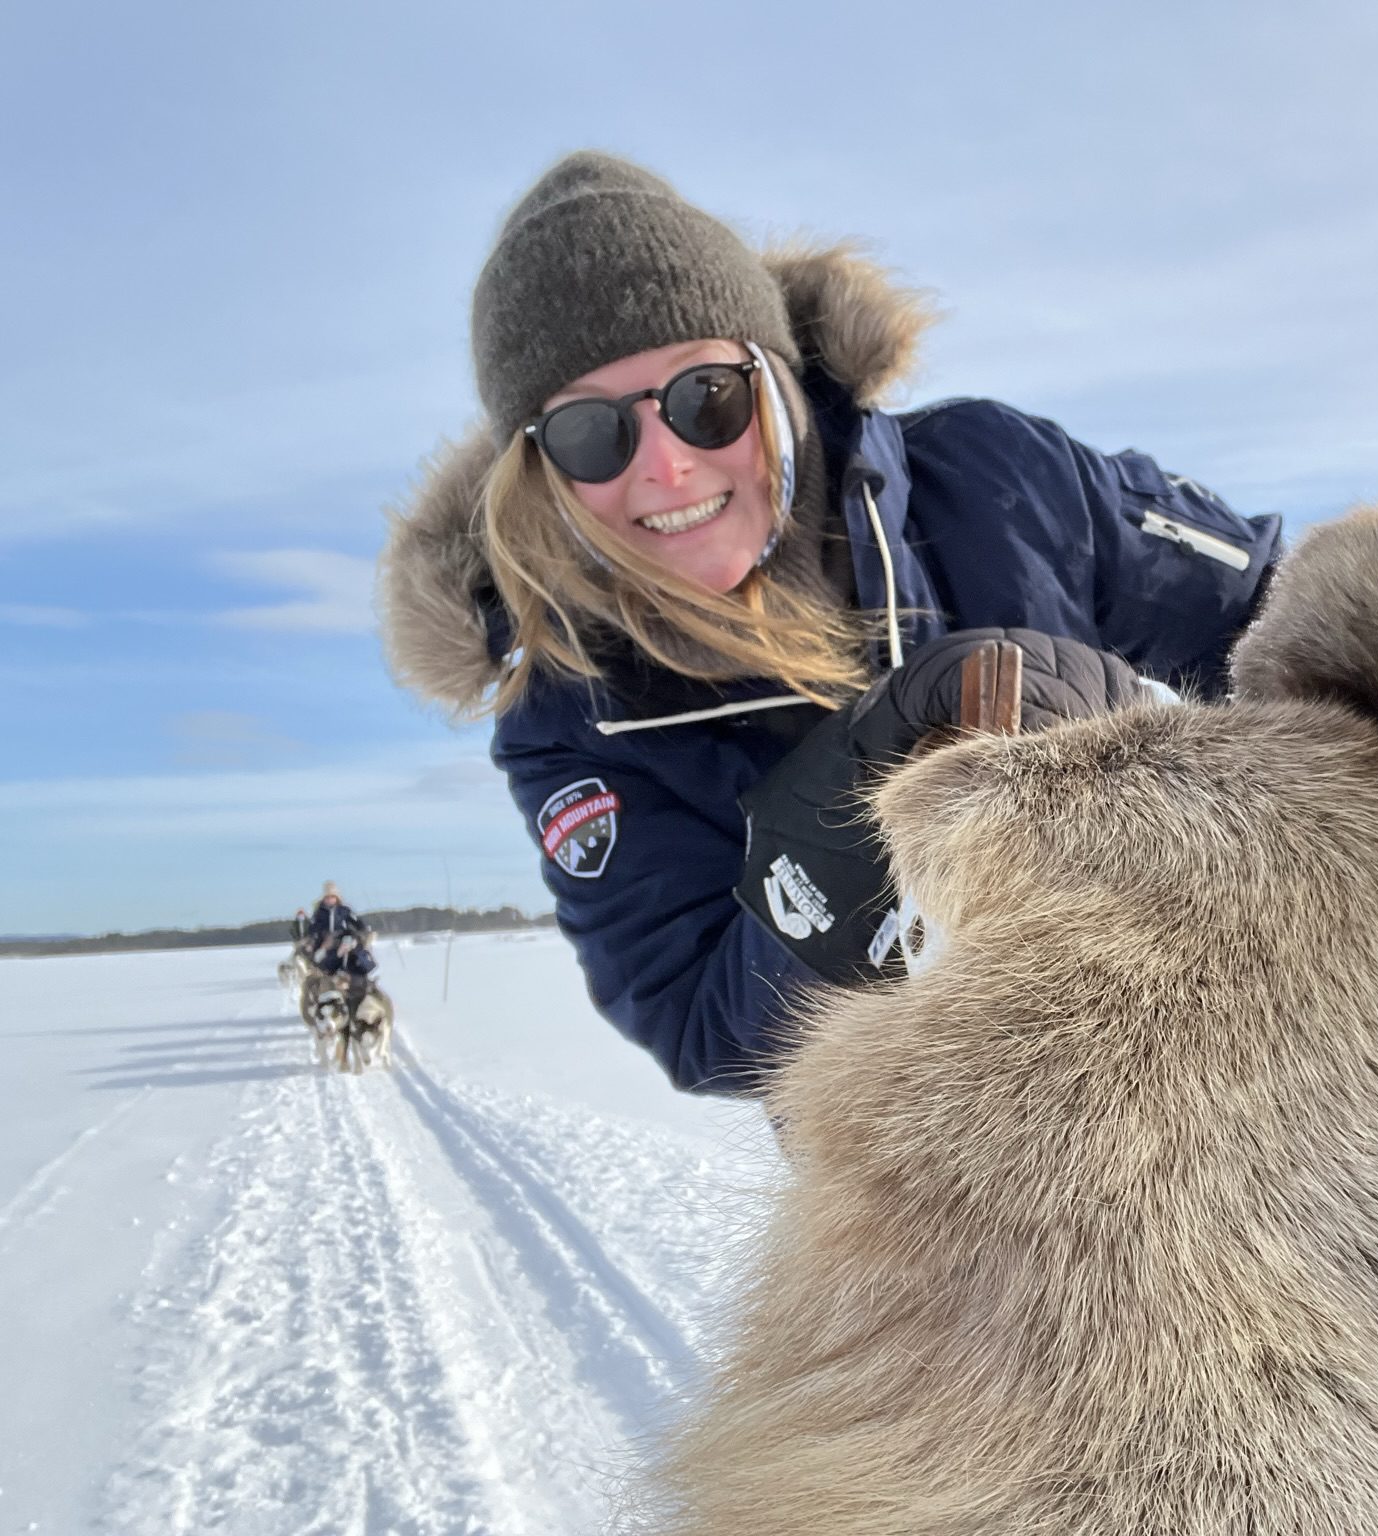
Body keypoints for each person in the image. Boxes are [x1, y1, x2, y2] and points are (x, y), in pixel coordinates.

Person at [379, 152, 1282, 1094]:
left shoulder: (996, 476)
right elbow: (703, 1028)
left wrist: (1150, 735)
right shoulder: (567, 715)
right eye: (591, 433)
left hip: (1266, 1059)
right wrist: (864, 797)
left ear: (774, 377)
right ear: (540, 470)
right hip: (951, 1177)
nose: (666, 468)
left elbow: (1275, 621)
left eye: (704, 399)